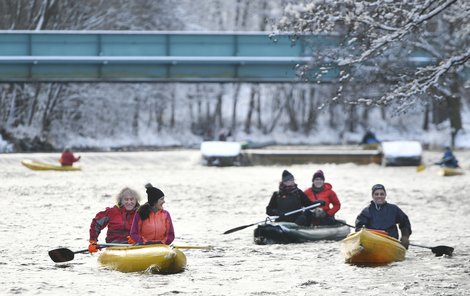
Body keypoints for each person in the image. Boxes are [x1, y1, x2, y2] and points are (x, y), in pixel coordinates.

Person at [355, 184, 412, 249]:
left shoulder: (394, 209)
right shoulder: (366, 211)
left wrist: (405, 237)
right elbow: (358, 228)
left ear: (385, 195)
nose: (379, 196)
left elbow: (405, 222)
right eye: (376, 194)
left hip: (391, 242)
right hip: (372, 242)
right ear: (372, 196)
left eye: (382, 194)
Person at [88, 187, 141, 253]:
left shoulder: (141, 213)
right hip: (114, 246)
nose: (129, 202)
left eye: (132, 199)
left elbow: (149, 229)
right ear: (121, 201)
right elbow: (96, 223)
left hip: (135, 246)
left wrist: (137, 239)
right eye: (126, 200)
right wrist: (93, 241)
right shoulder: (111, 212)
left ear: (136, 200)